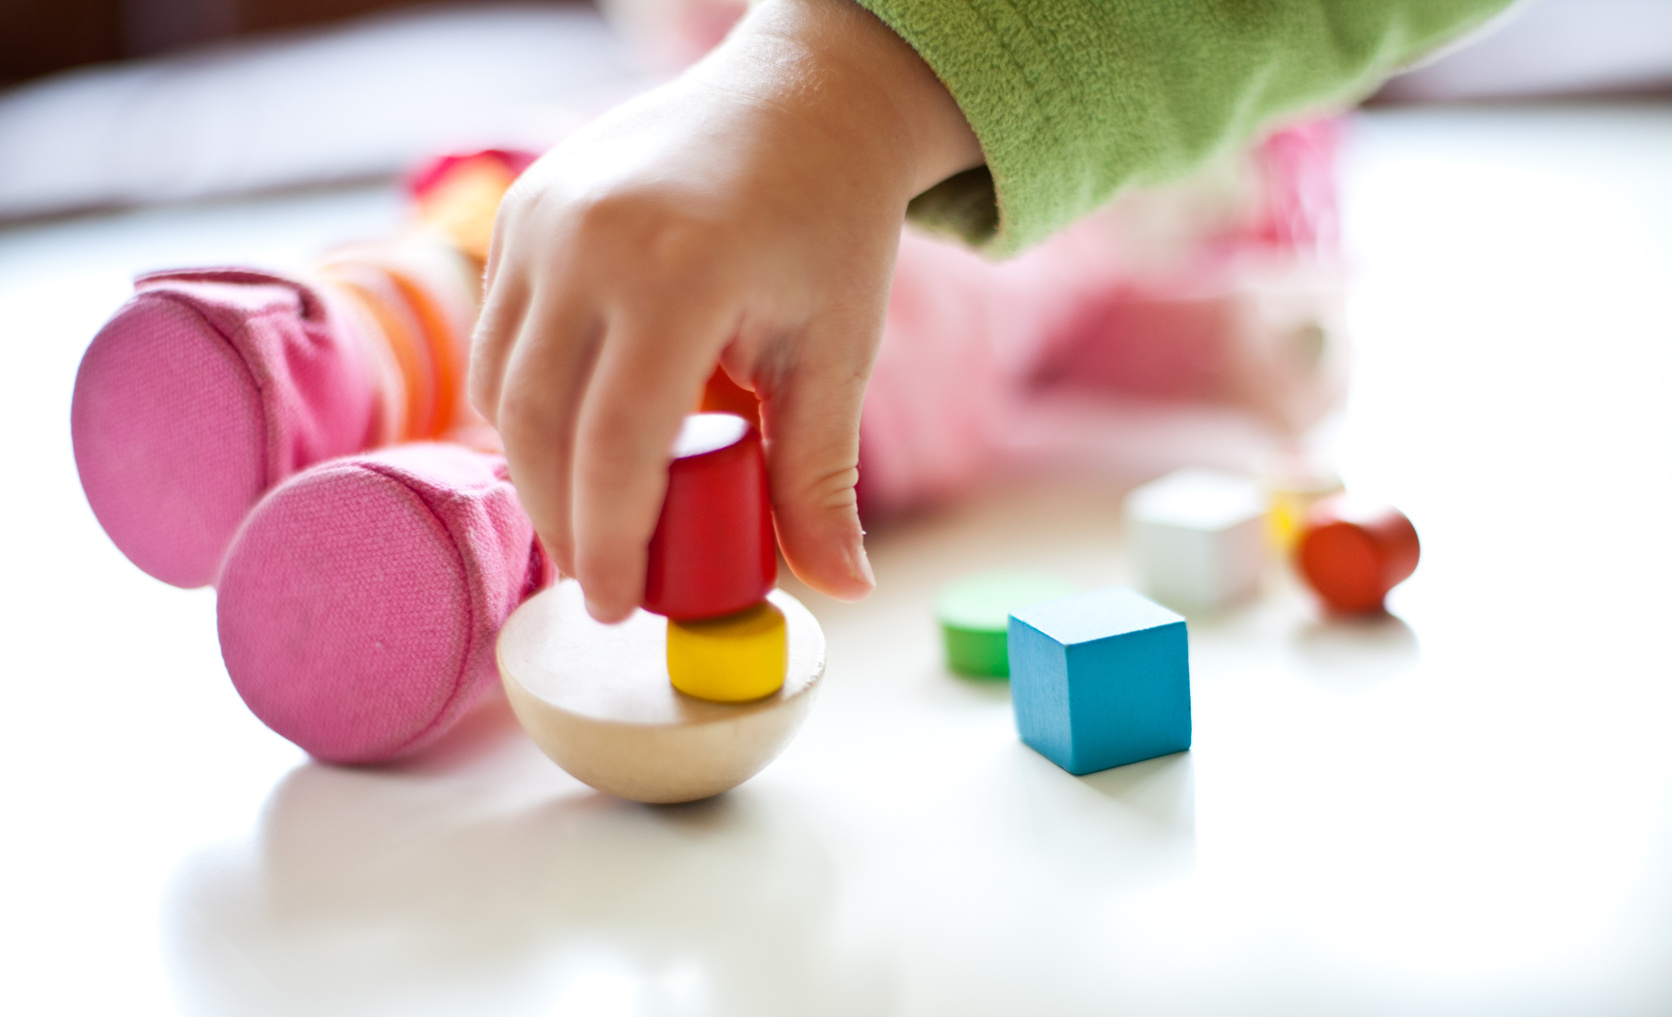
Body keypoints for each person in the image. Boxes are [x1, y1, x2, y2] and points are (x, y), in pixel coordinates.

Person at [471, 0, 1514, 625]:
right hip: (671, 157)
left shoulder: (1208, 197)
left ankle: (479, 552)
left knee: (870, 335)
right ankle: (397, 340)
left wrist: (851, 80)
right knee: (572, 222)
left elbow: (1211, 327)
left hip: (907, 261)